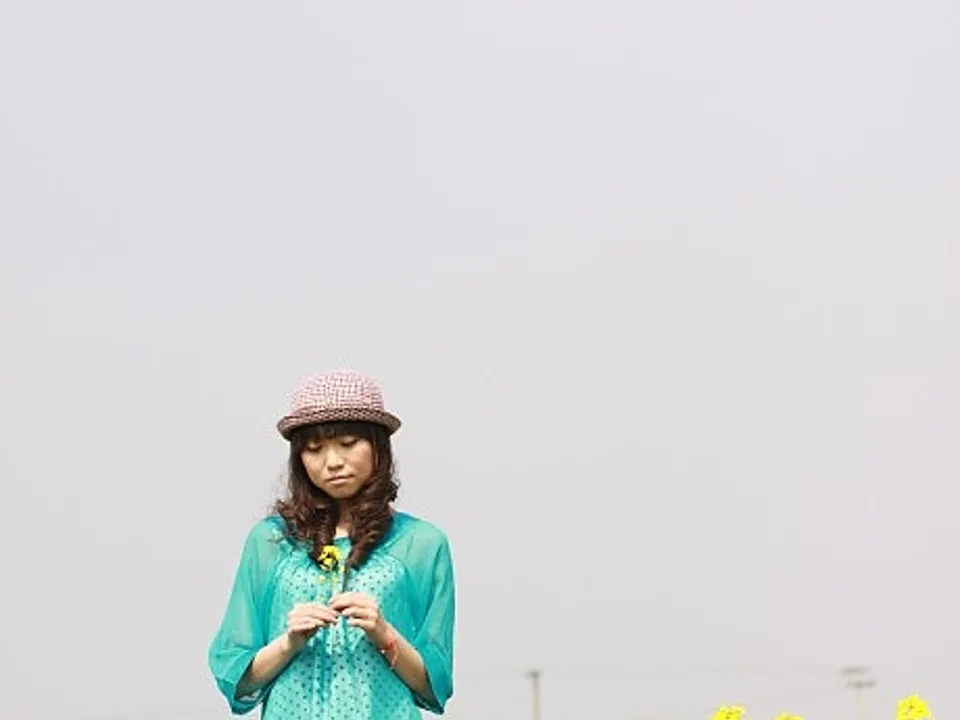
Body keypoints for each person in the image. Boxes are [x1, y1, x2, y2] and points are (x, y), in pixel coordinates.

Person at [208, 370, 456, 719]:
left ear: (378, 447)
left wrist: (383, 633)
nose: (333, 462)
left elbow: (433, 686)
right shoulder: (270, 542)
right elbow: (237, 680)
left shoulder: (422, 544)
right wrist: (290, 642)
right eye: (314, 448)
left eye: (348, 443)